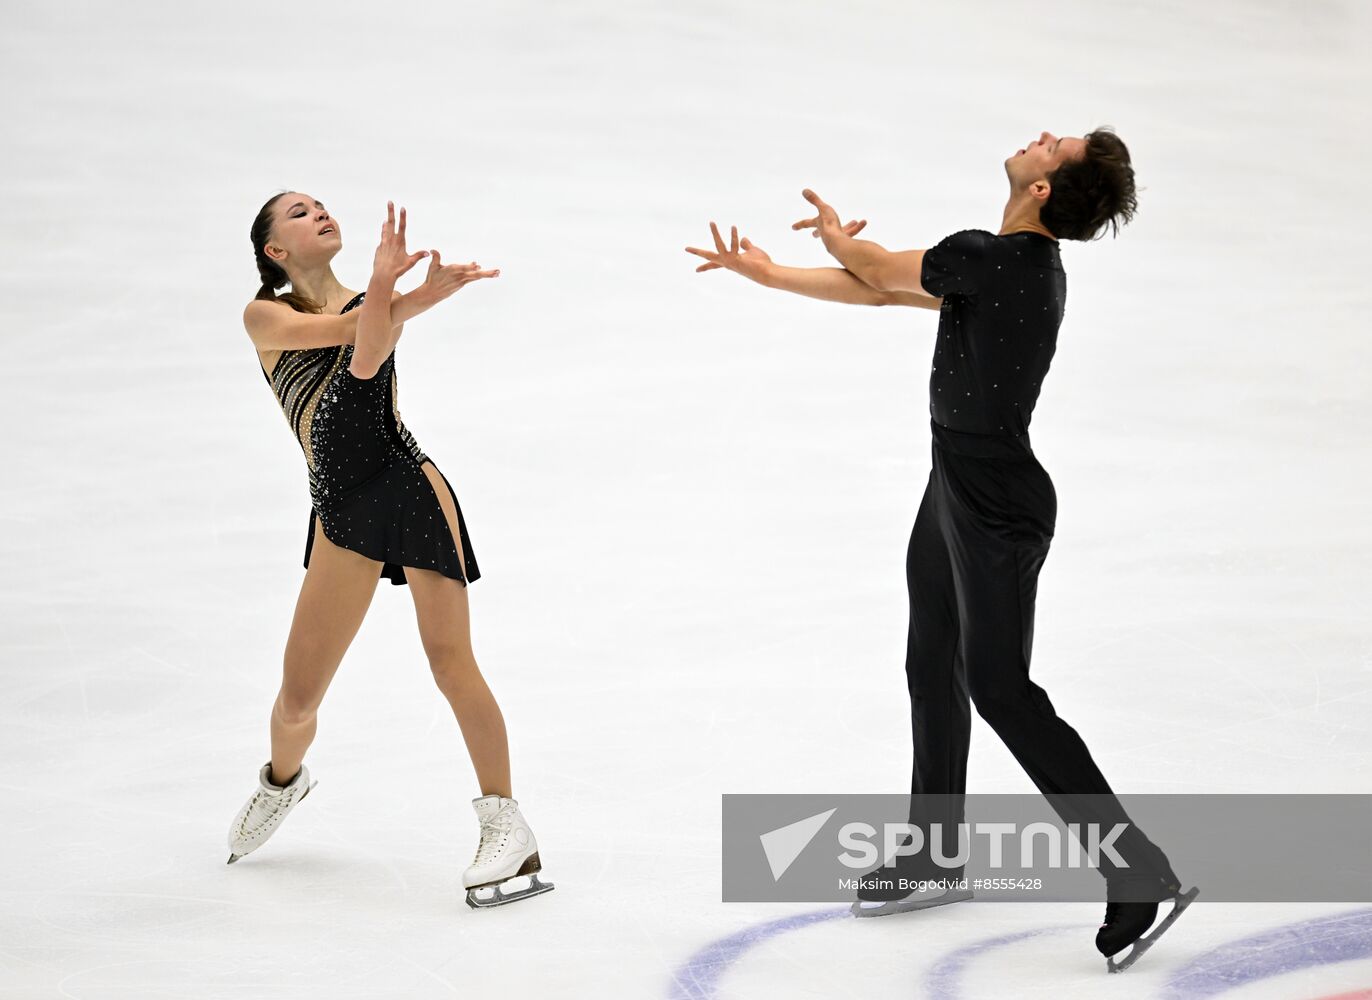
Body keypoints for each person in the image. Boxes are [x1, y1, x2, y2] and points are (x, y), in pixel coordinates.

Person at [685, 129, 1195, 969]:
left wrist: (842, 240)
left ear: (1040, 190)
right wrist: (772, 273)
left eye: (1051, 146)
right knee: (933, 660)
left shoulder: (989, 260)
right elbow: (886, 295)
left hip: (994, 504)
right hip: (956, 487)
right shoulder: (1005, 270)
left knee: (999, 686)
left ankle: (1136, 868)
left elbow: (880, 271)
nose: (1036, 140)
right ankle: (934, 851)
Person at [228, 192, 551, 909]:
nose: (319, 214)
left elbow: (371, 340)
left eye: (320, 205)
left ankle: (507, 822)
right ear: (275, 250)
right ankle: (281, 782)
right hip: (342, 506)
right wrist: (395, 292)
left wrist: (404, 295)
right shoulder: (266, 315)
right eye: (299, 214)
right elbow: (355, 328)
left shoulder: (369, 303)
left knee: (451, 662)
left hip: (406, 485)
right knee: (297, 700)